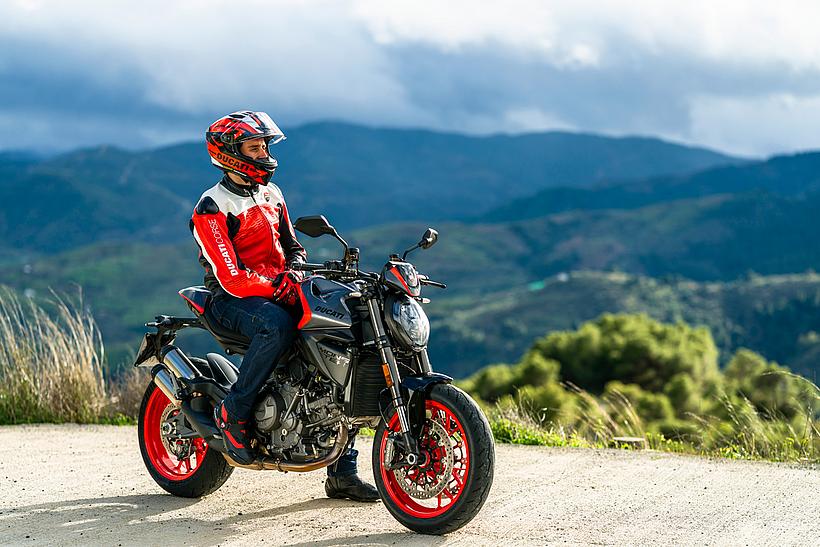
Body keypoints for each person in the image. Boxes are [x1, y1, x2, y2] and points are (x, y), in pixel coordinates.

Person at [189, 110, 378, 502]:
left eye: (264, 146)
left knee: (345, 335)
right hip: (232, 299)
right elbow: (230, 275)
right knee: (277, 326)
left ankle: (342, 472)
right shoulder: (212, 206)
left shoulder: (272, 194)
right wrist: (277, 287)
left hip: (279, 288)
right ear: (229, 153)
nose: (264, 153)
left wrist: (294, 270)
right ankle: (233, 413)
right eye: (254, 148)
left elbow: (293, 247)